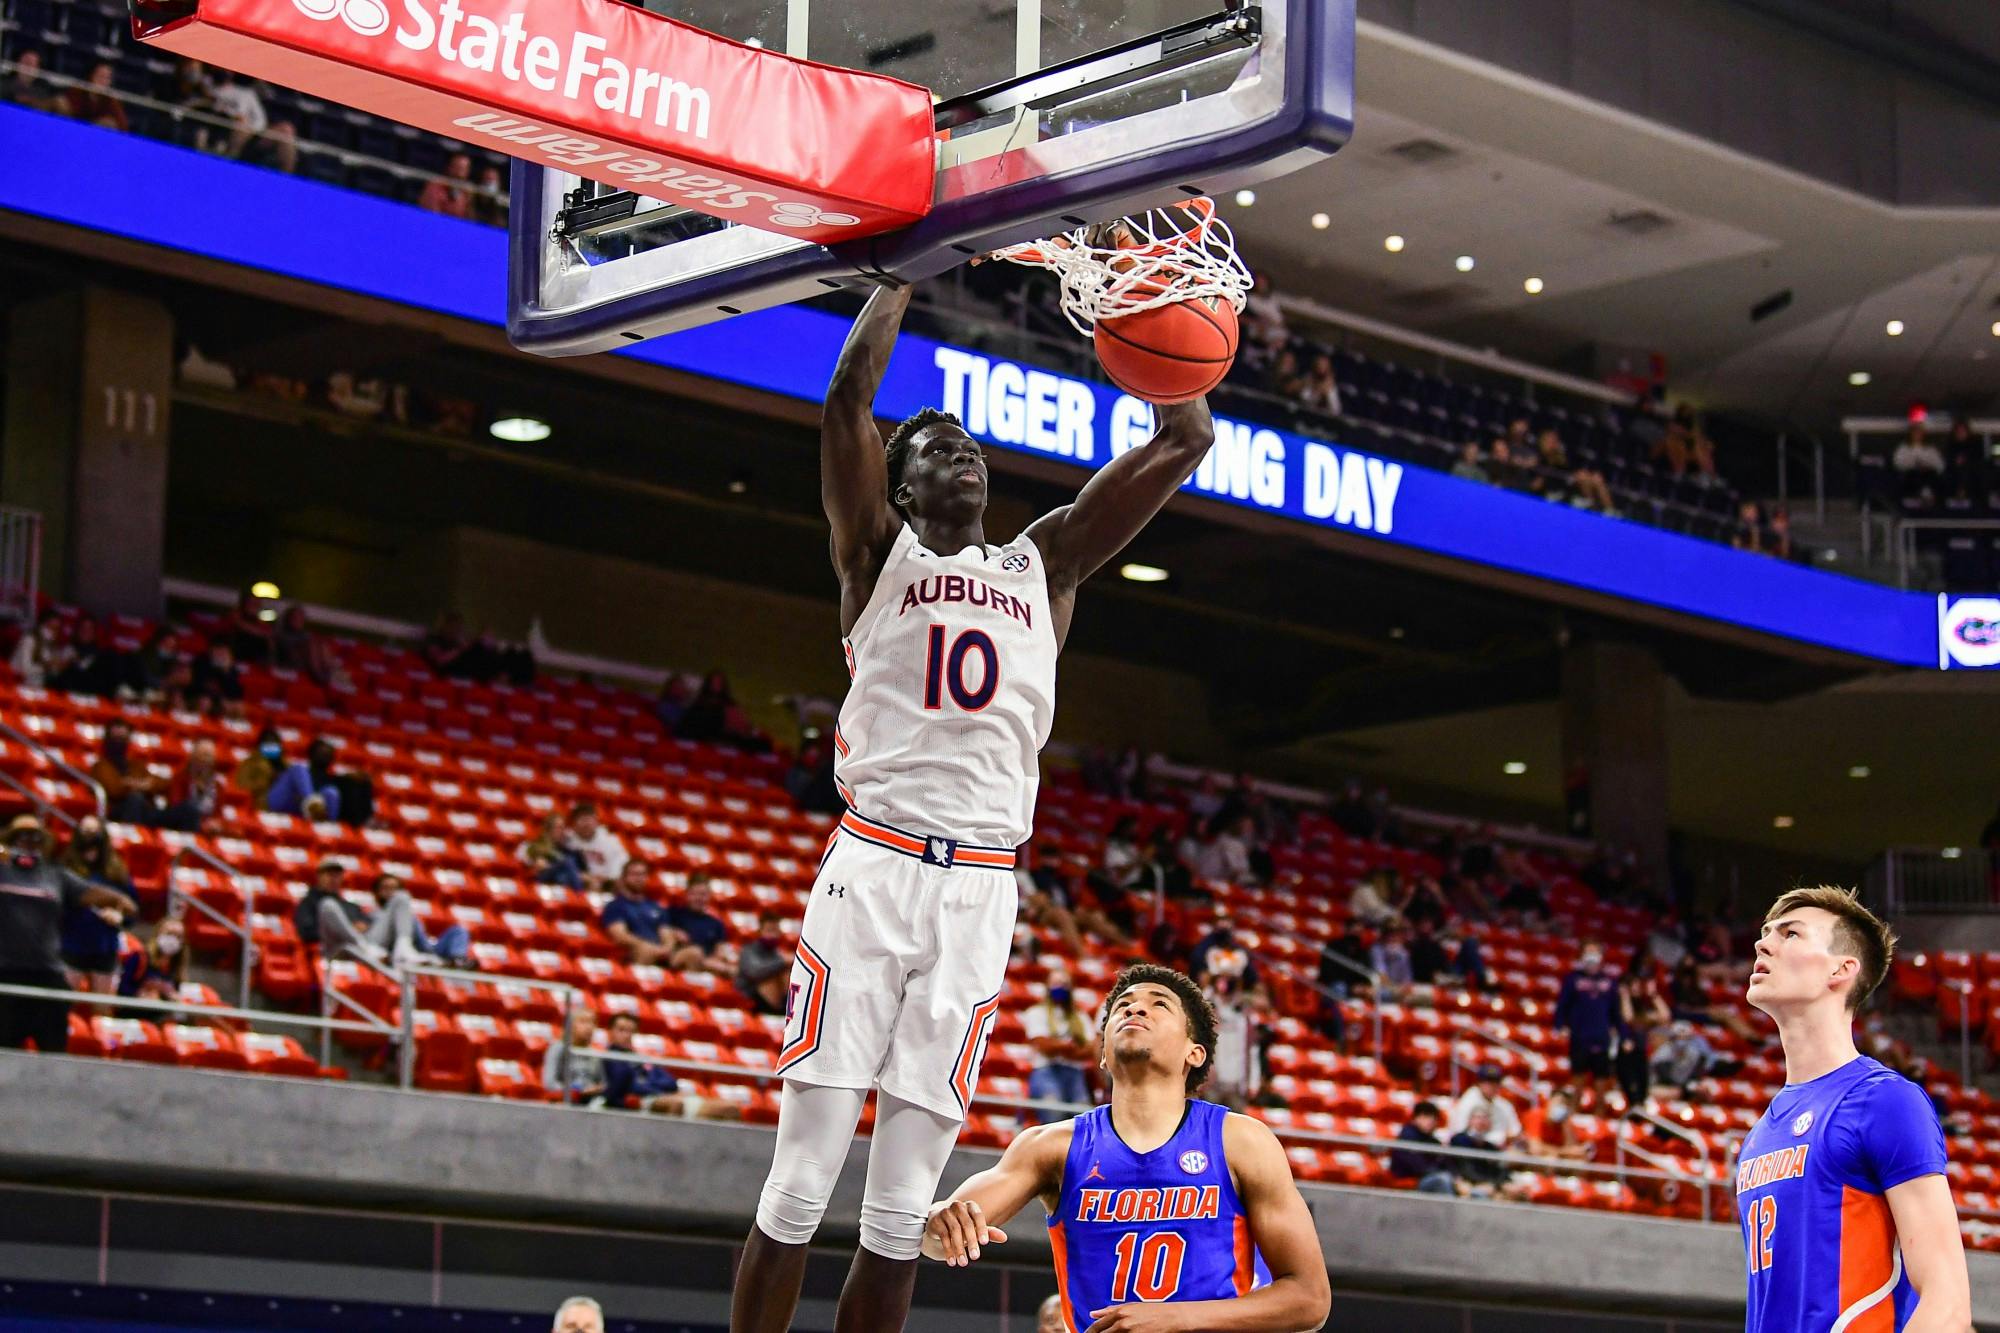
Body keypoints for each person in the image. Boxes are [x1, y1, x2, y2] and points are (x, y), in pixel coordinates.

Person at [733, 280, 1221, 1333]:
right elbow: (845, 402)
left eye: (967, 444)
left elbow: (1184, 439)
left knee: (902, 1206)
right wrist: (901, 273)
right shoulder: (876, 552)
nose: (958, 453)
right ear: (899, 488)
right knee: (801, 1175)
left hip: (979, 891)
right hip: (874, 863)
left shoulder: (1042, 560)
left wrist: (1157, 331)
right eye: (933, 447)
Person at [919, 965, 1331, 1332]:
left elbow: (1309, 1299)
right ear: (1101, 1054)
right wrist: (940, 1223)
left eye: (1159, 1004)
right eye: (1124, 1006)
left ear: (1194, 1052)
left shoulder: (1241, 1140)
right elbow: (937, 1241)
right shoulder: (1050, 1146)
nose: (1135, 1010)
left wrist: (1177, 1317)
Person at [1738, 885, 1968, 1333]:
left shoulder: (1884, 1101)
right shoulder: (1760, 1133)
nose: (1762, 943)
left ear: (1841, 970)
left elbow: (1947, 1302)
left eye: (1790, 934)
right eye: (1766, 932)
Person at [0, 815, 136, 1052]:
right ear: (12, 839)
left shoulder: (56, 876)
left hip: (46, 973)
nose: (28, 842)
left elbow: (121, 901)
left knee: (54, 1048)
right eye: (21, 837)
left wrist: (121, 912)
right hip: (5, 973)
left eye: (34, 838)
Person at [57, 816, 134, 996]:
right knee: (64, 1004)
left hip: (105, 946)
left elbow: (132, 907)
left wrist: (121, 917)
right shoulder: (66, 867)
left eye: (94, 832)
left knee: (103, 1008)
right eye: (85, 831)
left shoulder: (117, 871)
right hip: (71, 943)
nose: (90, 836)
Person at [1020, 969, 1094, 1120]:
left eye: (1065, 984)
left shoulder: (1080, 1016)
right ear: (1048, 986)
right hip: (1045, 1071)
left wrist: (1059, 1047)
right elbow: (1044, 1046)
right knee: (1053, 1114)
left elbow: (1090, 1050)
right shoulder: (1036, 1012)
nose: (1060, 987)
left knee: (1082, 1116)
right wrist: (1070, 1048)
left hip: (1075, 1073)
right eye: (1056, 983)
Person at [1554, 941, 1618, 1104]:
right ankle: (1574, 1108)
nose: (1591, 956)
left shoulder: (1609, 982)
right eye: (1588, 951)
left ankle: (1600, 1114)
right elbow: (1562, 1005)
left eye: (1594, 951)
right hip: (1579, 1035)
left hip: (1601, 1036)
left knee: (1601, 1077)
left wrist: (1619, 1031)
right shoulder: (1572, 979)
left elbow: (1615, 1011)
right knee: (1578, 1074)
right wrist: (1559, 1025)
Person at [1615, 957, 1671, 1107]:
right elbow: (1628, 1018)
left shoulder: (1643, 1010)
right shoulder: (1617, 1007)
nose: (1638, 988)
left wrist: (1654, 995)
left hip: (1641, 1055)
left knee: (1643, 1095)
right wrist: (1625, 995)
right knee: (1633, 1095)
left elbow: (1665, 1016)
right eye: (1634, 985)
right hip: (1625, 1056)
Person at [91, 719, 164, 825]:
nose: (119, 743)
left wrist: (132, 783)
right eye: (115, 739)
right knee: (135, 799)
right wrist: (140, 785)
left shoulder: (136, 765)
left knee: (189, 809)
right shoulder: (100, 766)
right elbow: (114, 789)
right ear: (107, 739)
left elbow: (161, 783)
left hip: (147, 811)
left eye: (123, 739)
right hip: (118, 813)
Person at [663, 874, 732, 974]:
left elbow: (719, 953)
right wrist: (673, 932)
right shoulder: (673, 913)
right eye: (694, 894)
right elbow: (662, 934)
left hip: (706, 967)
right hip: (678, 962)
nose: (699, 898)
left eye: (703, 894)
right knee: (694, 953)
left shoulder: (716, 924)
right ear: (687, 894)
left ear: (709, 896)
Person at [1388, 1101, 1460, 1195]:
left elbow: (1447, 1162)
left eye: (1433, 1118)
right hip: (1410, 1181)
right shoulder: (1407, 1136)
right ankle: (1451, 1209)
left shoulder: (1432, 1140)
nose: (1430, 1121)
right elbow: (1419, 1167)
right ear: (1415, 1118)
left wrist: (1457, 1178)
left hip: (1426, 1178)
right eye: (1425, 1117)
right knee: (1442, 1179)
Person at [266, 736, 342, 822]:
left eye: (327, 755)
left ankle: (327, 827)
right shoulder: (291, 767)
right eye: (321, 753)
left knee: (331, 792)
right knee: (298, 769)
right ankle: (312, 804)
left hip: (302, 813)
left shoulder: (334, 780)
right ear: (311, 754)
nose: (324, 756)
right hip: (279, 803)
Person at [543, 1006, 606, 1105]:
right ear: (570, 1025)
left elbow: (603, 1083)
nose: (589, 1027)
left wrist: (596, 1089)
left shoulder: (595, 1054)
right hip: (564, 1103)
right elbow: (549, 1083)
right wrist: (577, 1092)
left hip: (590, 1103)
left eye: (592, 1023)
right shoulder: (558, 1048)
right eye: (583, 1022)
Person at [1447, 1065, 1521, 1148]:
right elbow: (1458, 1132)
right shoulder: (1469, 1101)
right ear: (1479, 1083)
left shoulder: (1504, 1105)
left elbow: (1515, 1132)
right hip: (1473, 1149)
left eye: (1496, 1082)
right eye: (1489, 1081)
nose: (1493, 1086)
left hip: (1498, 1149)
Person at [735, 911, 793, 1015]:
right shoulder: (749, 950)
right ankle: (779, 1014)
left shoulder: (777, 953)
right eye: (769, 930)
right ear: (760, 931)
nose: (772, 935)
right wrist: (782, 962)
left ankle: (785, 1011)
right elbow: (755, 972)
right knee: (771, 978)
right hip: (750, 993)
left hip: (772, 998)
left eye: (775, 931)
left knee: (786, 972)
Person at [160, 739, 222, 833]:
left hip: (207, 826)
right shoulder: (180, 778)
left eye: (210, 756)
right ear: (193, 757)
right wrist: (201, 822)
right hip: (183, 825)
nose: (206, 760)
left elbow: (218, 814)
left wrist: (214, 823)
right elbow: (176, 805)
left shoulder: (218, 786)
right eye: (203, 755)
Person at [119, 917, 187, 1001]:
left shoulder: (177, 966)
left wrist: (171, 996)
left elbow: (174, 993)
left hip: (159, 1012)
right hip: (134, 1010)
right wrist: (140, 994)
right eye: (169, 934)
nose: (173, 939)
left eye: (178, 936)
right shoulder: (139, 957)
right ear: (158, 934)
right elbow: (122, 989)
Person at [562, 802, 628, 890]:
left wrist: (608, 879)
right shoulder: (567, 840)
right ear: (574, 823)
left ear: (596, 821)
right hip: (576, 885)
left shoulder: (610, 841)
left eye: (589, 819)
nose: (586, 824)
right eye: (581, 820)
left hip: (607, 886)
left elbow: (622, 865)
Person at [62, 62, 127, 132]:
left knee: (108, 123)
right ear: (91, 75)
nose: (102, 81)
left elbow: (123, 125)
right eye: (100, 76)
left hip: (93, 135)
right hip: (70, 128)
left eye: (106, 78)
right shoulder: (78, 89)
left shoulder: (111, 100)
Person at [233, 726, 286, 806]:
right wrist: (267, 779)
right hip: (261, 801)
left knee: (298, 770)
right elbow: (241, 786)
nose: (272, 747)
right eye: (268, 743)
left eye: (275, 743)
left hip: (283, 802)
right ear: (260, 745)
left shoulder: (285, 763)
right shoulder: (250, 762)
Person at [2, 49, 65, 115]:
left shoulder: (43, 89)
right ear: (18, 63)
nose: (27, 67)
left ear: (38, 69)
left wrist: (33, 102)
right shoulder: (4, 82)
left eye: (31, 64)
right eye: (25, 62)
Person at [419, 152, 475, 219]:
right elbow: (432, 217)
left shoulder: (467, 193)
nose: (460, 174)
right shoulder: (435, 186)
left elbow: (471, 221)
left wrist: (471, 203)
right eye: (457, 168)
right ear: (449, 167)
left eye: (464, 169)